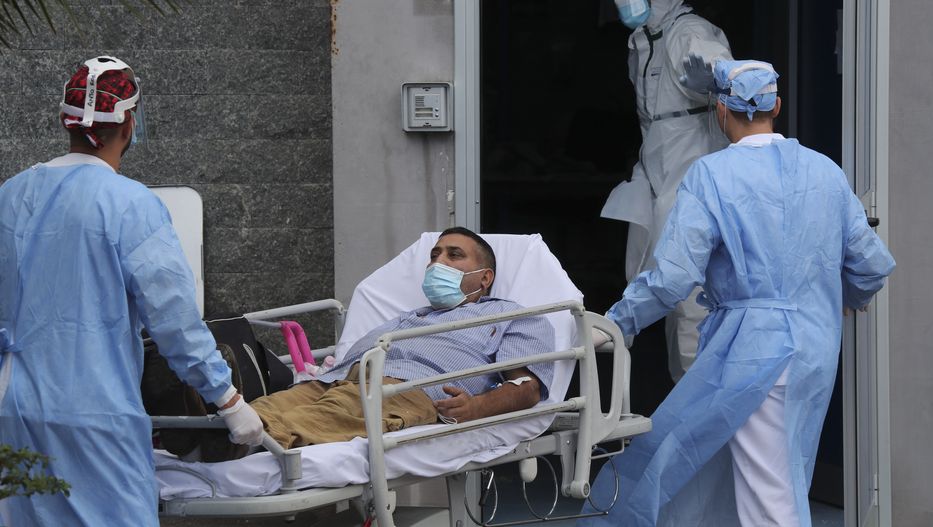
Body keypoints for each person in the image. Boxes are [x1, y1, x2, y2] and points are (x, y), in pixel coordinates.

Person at [581, 60, 895, 526]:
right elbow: (869, 264)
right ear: (778, 106)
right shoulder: (824, 170)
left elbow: (671, 277)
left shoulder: (712, 174)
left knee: (769, 491)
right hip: (814, 344)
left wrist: (615, 324)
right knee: (780, 469)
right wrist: (847, 297)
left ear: (719, 110)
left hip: (753, 350)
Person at [0, 56, 263, 527]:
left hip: (12, 412)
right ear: (128, 121)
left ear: (67, 121)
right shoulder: (131, 204)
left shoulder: (11, 195)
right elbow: (174, 321)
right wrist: (227, 399)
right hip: (93, 412)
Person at [189, 227, 555, 459]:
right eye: (434, 255)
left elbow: (526, 387)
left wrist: (474, 407)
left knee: (331, 413)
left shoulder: (510, 316)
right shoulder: (414, 315)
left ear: (485, 277)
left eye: (453, 255)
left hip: (410, 391)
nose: (437, 262)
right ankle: (198, 426)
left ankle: (226, 442)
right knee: (273, 402)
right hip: (337, 380)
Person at [602, 0, 733, 382]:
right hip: (657, 170)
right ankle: (681, 399)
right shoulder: (641, 40)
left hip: (691, 170)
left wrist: (713, 85)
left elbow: (730, 77)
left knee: (691, 291)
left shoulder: (690, 31)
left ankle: (701, 401)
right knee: (656, 283)